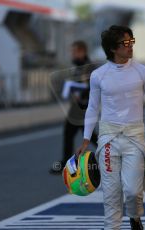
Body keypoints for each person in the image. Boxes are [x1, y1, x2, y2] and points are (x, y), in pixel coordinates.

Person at [76, 25, 145, 230]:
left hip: (135, 137)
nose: (130, 46)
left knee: (132, 192)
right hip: (108, 138)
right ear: (112, 49)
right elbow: (92, 108)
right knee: (111, 193)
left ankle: (135, 218)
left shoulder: (143, 72)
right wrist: (85, 139)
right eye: (125, 43)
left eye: (131, 41)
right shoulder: (98, 75)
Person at [50, 41, 98, 174]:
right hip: (76, 107)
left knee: (89, 136)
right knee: (72, 133)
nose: (73, 54)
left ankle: (111, 156)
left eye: (75, 51)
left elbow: (93, 87)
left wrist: (81, 94)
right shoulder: (78, 67)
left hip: (84, 107)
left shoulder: (89, 67)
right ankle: (66, 163)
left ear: (82, 52)